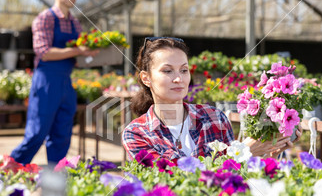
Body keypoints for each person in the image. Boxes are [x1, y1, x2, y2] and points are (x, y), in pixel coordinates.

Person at [122, 37, 300, 162]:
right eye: (167, 71)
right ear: (146, 78)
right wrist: (242, 152)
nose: (179, 79)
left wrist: (267, 155)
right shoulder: (137, 134)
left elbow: (234, 176)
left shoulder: (215, 118)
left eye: (184, 70)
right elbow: (168, 180)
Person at [11, 0, 98, 165]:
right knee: (37, 133)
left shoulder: (74, 22)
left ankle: (54, 179)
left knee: (62, 134)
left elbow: (78, 51)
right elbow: (44, 52)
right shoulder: (45, 18)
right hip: (46, 81)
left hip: (66, 81)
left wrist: (90, 51)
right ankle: (7, 170)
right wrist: (77, 50)